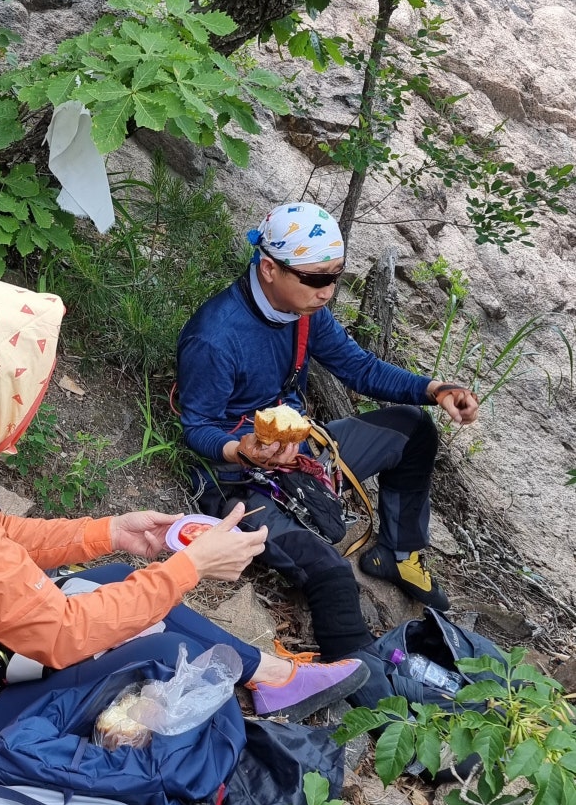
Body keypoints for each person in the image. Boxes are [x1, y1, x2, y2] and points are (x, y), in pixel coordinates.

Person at [0, 268, 367, 753]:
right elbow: (59, 634)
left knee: (122, 580)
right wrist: (188, 570)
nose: (31, 398)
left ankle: (271, 676)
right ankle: (271, 679)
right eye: (19, 385)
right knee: (158, 645)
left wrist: (110, 532)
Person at [176, 202, 479, 691]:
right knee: (331, 573)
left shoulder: (304, 310)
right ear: (269, 269)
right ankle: (363, 688)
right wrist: (242, 450)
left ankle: (397, 553)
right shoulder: (215, 337)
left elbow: (359, 368)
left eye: (335, 278)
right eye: (316, 279)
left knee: (413, 428)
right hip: (238, 478)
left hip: (303, 449)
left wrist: (433, 389)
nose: (327, 292)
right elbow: (198, 427)